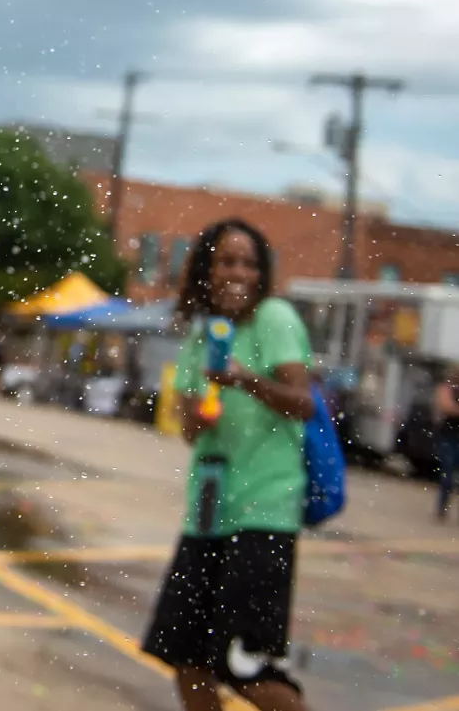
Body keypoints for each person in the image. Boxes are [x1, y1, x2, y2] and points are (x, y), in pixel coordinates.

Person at [142, 218, 316, 711]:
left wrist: (246, 380)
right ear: (206, 270)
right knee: (188, 661)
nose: (238, 273)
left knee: (247, 669)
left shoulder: (274, 318)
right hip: (207, 514)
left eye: (249, 264)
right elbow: (190, 429)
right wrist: (196, 414)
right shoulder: (203, 335)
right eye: (226, 262)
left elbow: (303, 402)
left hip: (263, 512)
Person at [435, 365, 459, 520]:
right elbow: (446, 406)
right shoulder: (448, 388)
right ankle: (442, 507)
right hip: (449, 435)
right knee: (447, 474)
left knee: (450, 474)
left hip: (453, 435)